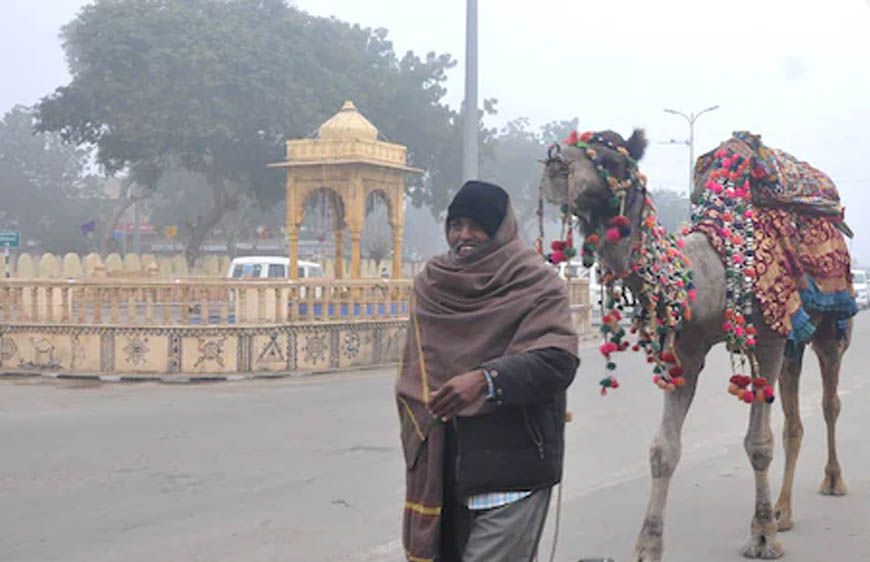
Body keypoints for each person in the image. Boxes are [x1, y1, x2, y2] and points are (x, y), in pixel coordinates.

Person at [396, 180, 580, 562]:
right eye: (456, 224)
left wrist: (486, 380)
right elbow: (416, 375)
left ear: (501, 228)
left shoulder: (535, 282)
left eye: (476, 224)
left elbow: (557, 360)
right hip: (443, 469)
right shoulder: (432, 284)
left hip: (512, 471)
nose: (464, 235)